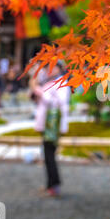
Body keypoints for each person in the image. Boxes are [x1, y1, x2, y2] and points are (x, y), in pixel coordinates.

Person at [32, 63, 70, 197]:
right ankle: (51, 183)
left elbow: (57, 102)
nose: (50, 70)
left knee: (49, 154)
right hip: (47, 122)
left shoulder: (61, 83)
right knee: (47, 154)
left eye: (53, 67)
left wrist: (39, 91)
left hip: (53, 124)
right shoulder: (47, 82)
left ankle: (54, 184)